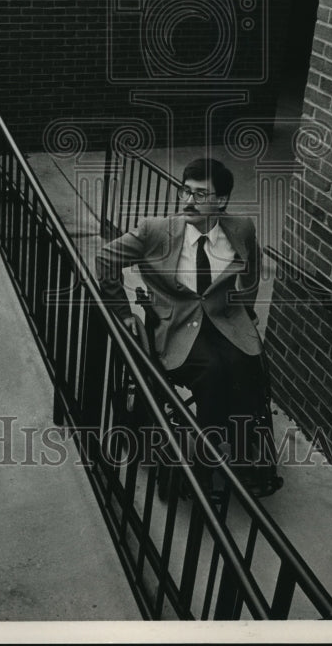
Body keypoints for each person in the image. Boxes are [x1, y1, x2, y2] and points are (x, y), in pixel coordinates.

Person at [96, 156, 283, 497]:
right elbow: (105, 259)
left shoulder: (240, 227)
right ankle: (203, 465)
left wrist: (245, 309)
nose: (188, 200)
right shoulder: (155, 231)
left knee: (245, 366)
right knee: (212, 371)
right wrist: (122, 312)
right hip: (177, 323)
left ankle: (243, 457)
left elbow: (251, 270)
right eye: (185, 191)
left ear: (221, 201)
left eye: (200, 194)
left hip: (224, 320)